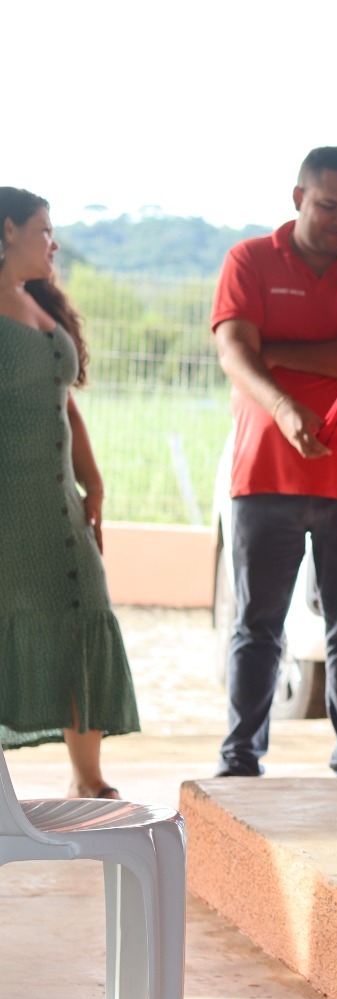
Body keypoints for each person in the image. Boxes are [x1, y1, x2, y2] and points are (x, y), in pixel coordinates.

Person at [212, 147, 337, 778]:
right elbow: (235, 352)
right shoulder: (250, 259)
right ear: (298, 198)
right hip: (265, 473)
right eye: (329, 206)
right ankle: (239, 759)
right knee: (257, 625)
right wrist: (285, 407)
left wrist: (279, 350)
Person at [0, 187, 139, 798]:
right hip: (10, 507)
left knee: (84, 616)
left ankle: (88, 779)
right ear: (8, 231)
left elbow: (66, 404)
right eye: (44, 230)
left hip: (61, 506)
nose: (53, 244)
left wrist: (95, 484)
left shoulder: (36, 302)